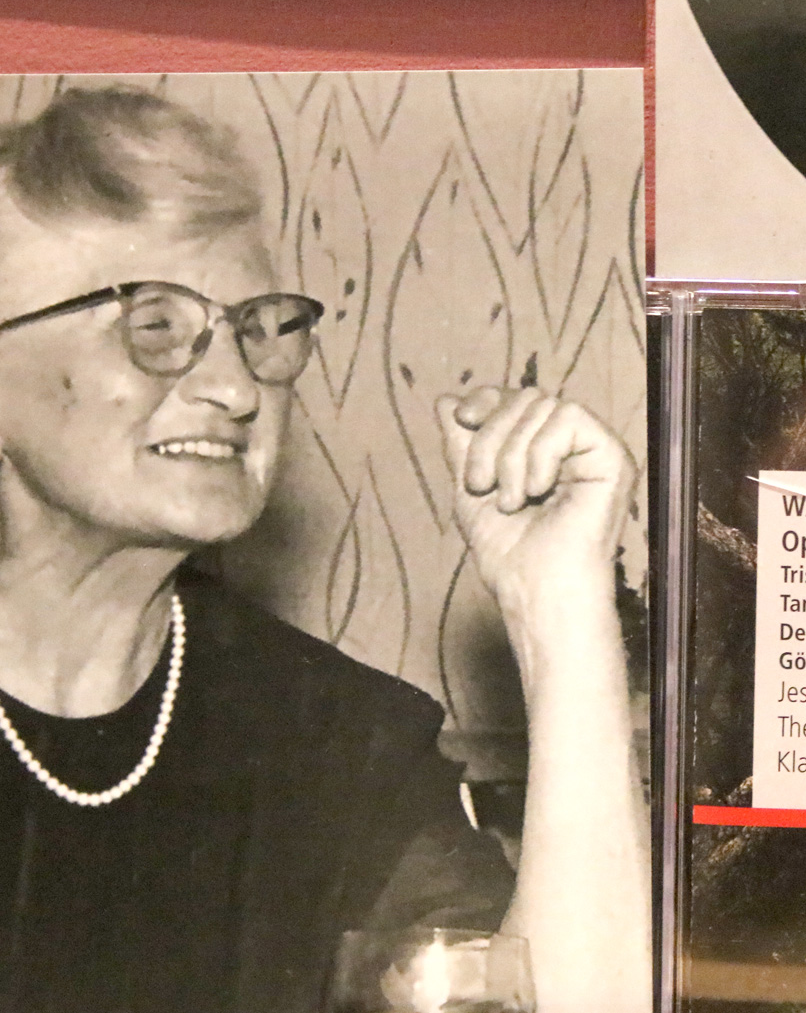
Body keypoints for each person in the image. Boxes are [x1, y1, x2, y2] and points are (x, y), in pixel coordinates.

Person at [0, 86, 650, 1013]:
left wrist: (559, 608)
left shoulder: (333, 739)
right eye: (156, 326)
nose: (237, 387)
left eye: (258, 330)